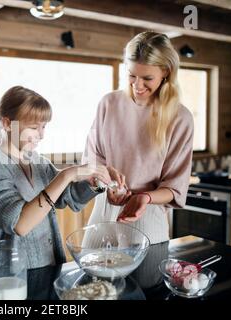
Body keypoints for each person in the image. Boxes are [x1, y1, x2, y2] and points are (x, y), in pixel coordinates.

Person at [0, 86, 112, 268]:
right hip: (12, 277)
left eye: (43, 127)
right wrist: (67, 174)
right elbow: (20, 224)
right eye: (34, 127)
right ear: (8, 124)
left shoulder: (38, 162)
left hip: (49, 264)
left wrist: (96, 182)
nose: (41, 135)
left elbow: (67, 196)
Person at [82, 31, 194, 244]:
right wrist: (104, 182)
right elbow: (91, 160)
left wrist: (145, 197)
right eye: (132, 75)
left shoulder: (180, 118)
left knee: (144, 279)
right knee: (92, 276)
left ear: (166, 73)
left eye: (147, 78)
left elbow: (174, 187)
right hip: (103, 211)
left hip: (146, 216)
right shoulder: (109, 103)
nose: (137, 85)